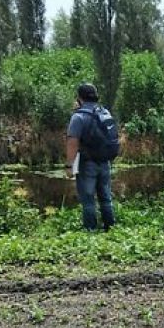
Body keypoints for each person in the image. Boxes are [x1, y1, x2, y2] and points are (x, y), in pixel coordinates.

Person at [65, 82, 118, 232]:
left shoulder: (79, 116)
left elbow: (72, 142)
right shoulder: (105, 112)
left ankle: (90, 230)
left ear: (79, 98)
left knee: (88, 200)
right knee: (106, 198)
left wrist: (69, 165)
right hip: (105, 161)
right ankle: (111, 228)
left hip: (87, 163)